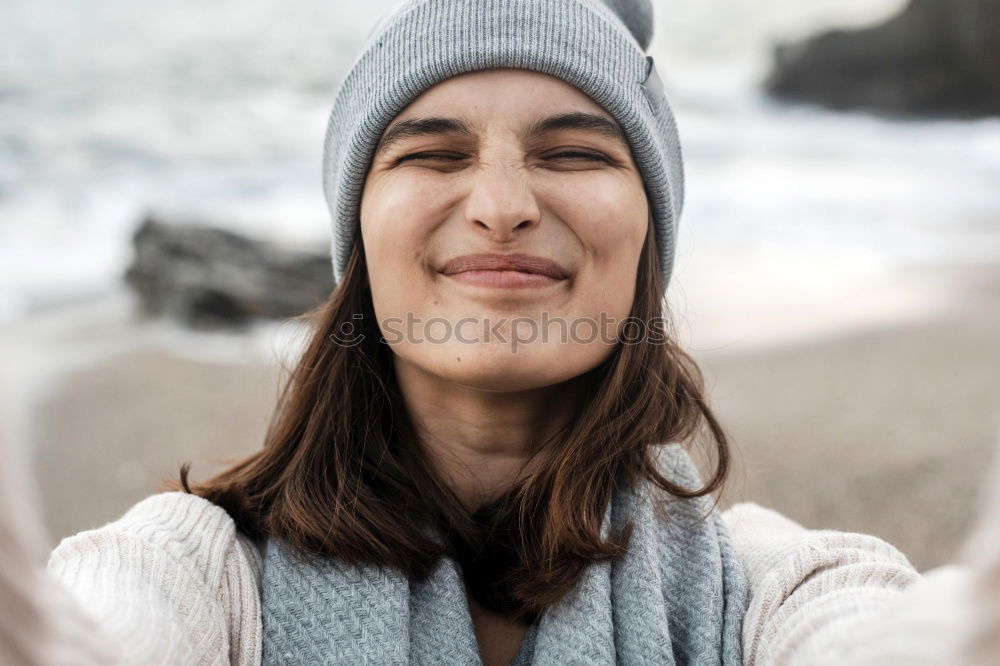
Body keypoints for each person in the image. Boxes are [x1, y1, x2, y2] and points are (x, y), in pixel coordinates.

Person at [3, 0, 997, 664]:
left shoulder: (766, 588)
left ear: (649, 233)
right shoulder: (193, 572)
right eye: (433, 153)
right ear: (358, 234)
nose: (502, 204)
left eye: (572, 151)